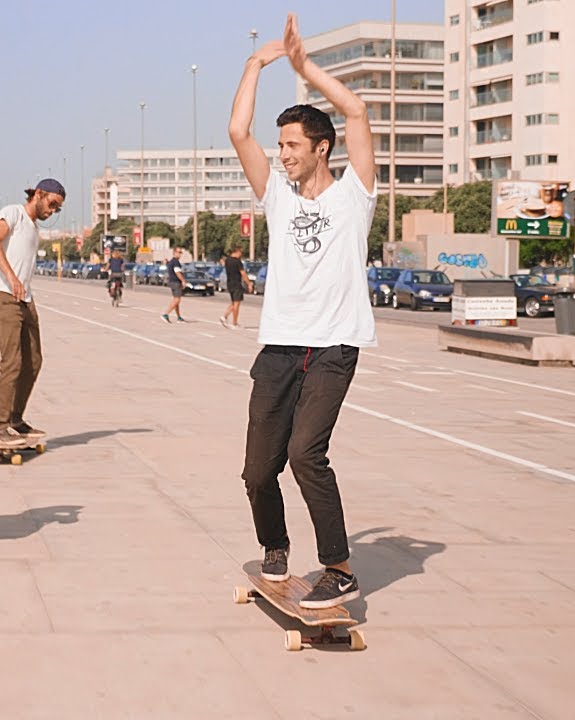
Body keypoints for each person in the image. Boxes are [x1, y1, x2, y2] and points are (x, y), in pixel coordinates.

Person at [228, 13, 379, 609]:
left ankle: (339, 568)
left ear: (321, 147)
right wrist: (254, 65)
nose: (282, 154)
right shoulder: (276, 198)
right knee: (258, 471)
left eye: (293, 145)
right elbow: (239, 131)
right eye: (281, 145)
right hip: (280, 348)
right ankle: (274, 544)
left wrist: (305, 67)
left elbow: (359, 114)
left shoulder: (355, 195)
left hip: (335, 346)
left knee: (305, 454)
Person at [0, 178, 63, 448]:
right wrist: (12, 277)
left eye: (57, 208)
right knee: (12, 361)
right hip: (2, 293)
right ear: (38, 194)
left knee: (34, 360)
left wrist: (23, 287)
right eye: (52, 203)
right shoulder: (13, 213)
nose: (52, 211)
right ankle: (1, 427)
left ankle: (16, 420)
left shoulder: (34, 228)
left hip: (24, 298)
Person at [220, 245, 250, 329]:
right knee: (237, 303)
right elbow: (243, 273)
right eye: (241, 252)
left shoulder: (227, 260)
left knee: (234, 302)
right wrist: (249, 283)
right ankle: (234, 323)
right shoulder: (237, 262)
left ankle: (224, 317)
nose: (241, 254)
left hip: (229, 283)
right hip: (237, 284)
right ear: (237, 252)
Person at [161, 247, 186, 323]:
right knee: (177, 300)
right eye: (179, 252)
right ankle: (165, 314)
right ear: (174, 252)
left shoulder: (172, 261)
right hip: (176, 282)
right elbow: (177, 272)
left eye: (181, 252)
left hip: (172, 282)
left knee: (176, 300)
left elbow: (169, 266)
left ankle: (179, 317)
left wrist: (166, 262)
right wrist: (183, 281)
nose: (180, 254)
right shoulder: (175, 262)